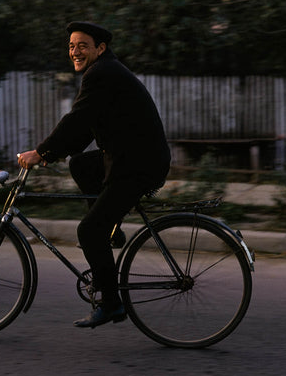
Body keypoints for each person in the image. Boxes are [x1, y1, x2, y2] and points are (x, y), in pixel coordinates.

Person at [17, 21, 171, 328]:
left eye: (82, 45)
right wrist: (54, 155)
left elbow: (76, 120)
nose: (75, 51)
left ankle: (111, 304)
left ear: (100, 48)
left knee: (88, 232)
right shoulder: (105, 72)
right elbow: (85, 130)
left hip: (137, 165)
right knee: (80, 165)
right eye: (71, 46)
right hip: (130, 158)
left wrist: (41, 152)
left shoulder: (101, 73)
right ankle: (110, 229)